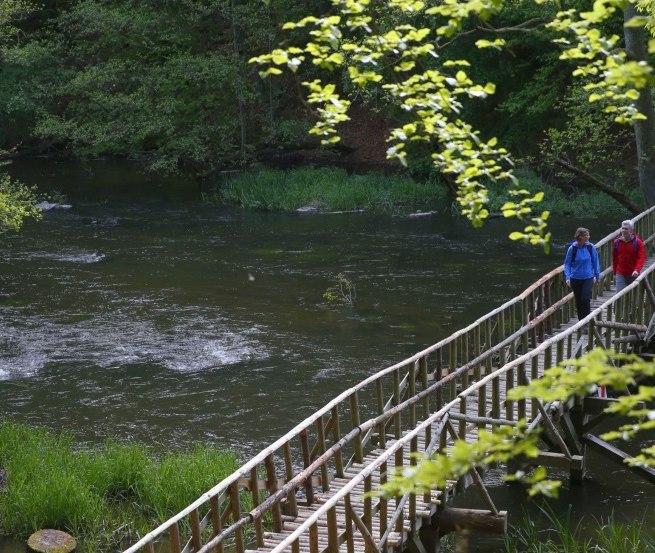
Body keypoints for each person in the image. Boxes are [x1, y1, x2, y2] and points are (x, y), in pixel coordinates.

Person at [564, 227, 601, 322]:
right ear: (580, 236)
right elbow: (567, 264)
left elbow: (595, 261)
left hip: (588, 277)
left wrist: (597, 276)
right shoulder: (572, 249)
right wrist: (567, 277)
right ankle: (581, 322)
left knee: (585, 298)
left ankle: (587, 320)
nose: (589, 236)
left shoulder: (590, 247)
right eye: (586, 235)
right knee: (579, 301)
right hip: (575, 278)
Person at [612, 219, 646, 292]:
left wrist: (637, 270)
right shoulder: (617, 242)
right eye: (622, 228)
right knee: (619, 295)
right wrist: (615, 272)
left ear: (631, 230)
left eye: (626, 229)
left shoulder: (638, 242)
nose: (624, 230)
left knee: (632, 295)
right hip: (620, 273)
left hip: (633, 273)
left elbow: (641, 257)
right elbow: (615, 258)